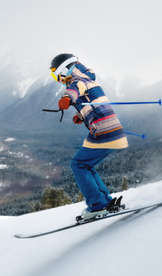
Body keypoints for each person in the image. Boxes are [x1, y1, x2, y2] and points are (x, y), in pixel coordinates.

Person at [50, 53, 128, 220]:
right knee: (85, 165)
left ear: (64, 69)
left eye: (54, 73)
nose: (56, 78)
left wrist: (66, 98)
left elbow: (75, 90)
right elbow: (92, 101)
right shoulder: (89, 78)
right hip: (112, 129)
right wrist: (83, 115)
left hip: (103, 131)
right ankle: (104, 202)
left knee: (78, 165)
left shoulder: (78, 80)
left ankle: (97, 205)